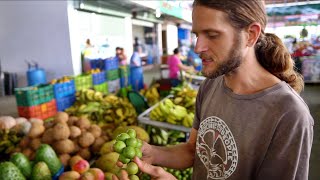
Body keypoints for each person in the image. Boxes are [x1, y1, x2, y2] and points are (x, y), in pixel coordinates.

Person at [114, 0, 314, 179]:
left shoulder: (289, 114)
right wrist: (155, 154)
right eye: (197, 35)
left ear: (250, 35)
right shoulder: (210, 85)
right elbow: (195, 151)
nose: (198, 47)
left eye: (212, 35)